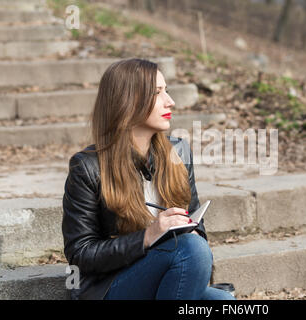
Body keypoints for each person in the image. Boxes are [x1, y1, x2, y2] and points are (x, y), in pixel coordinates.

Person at [62, 58, 235, 300]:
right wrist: (147, 236)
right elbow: (80, 255)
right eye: (157, 93)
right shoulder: (87, 167)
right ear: (128, 102)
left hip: (168, 270)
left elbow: (196, 221)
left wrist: (194, 232)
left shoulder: (179, 152)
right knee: (191, 250)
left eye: (167, 91)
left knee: (223, 300)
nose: (170, 101)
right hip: (111, 285)